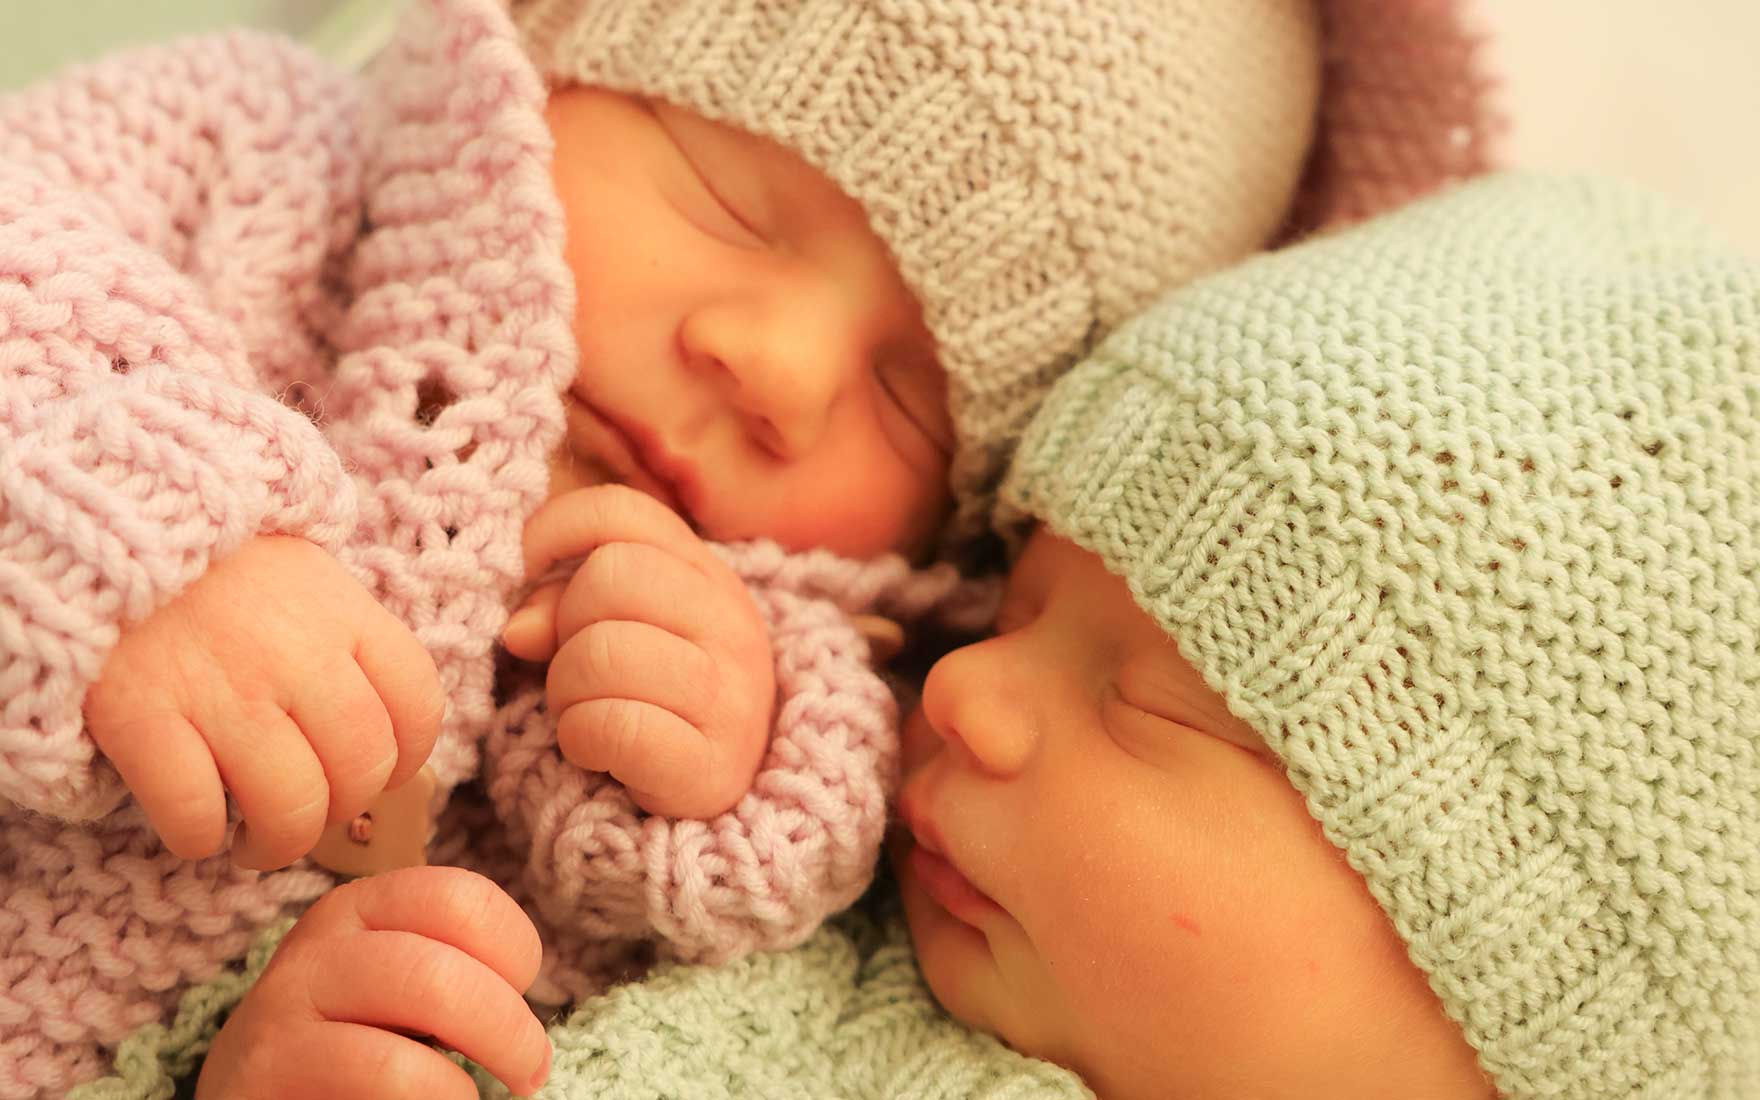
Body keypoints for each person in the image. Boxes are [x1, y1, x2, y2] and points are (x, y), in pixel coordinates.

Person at [2, 1, 1499, 1097]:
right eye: (729, 203)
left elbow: (761, 938)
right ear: (544, 64)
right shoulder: (258, 160)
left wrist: (724, 765)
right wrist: (147, 523)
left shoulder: (818, 682)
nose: (779, 370)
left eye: (909, 401)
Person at [177, 171, 1758, 1100]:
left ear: (1522, 999)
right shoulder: (802, 908)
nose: (969, 691)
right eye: (1021, 606)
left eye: (1151, 705)